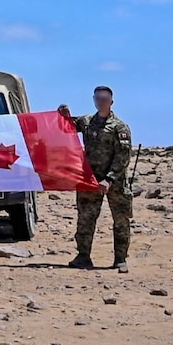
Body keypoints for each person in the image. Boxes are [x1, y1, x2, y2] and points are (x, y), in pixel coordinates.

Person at [59, 86, 133, 272]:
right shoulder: (87, 122)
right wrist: (63, 114)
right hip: (89, 180)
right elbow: (67, 127)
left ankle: (120, 258)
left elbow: (123, 156)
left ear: (111, 102)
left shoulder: (119, 127)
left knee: (121, 221)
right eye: (97, 98)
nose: (100, 101)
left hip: (114, 182)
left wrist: (109, 179)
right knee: (85, 219)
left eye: (104, 98)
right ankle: (83, 256)